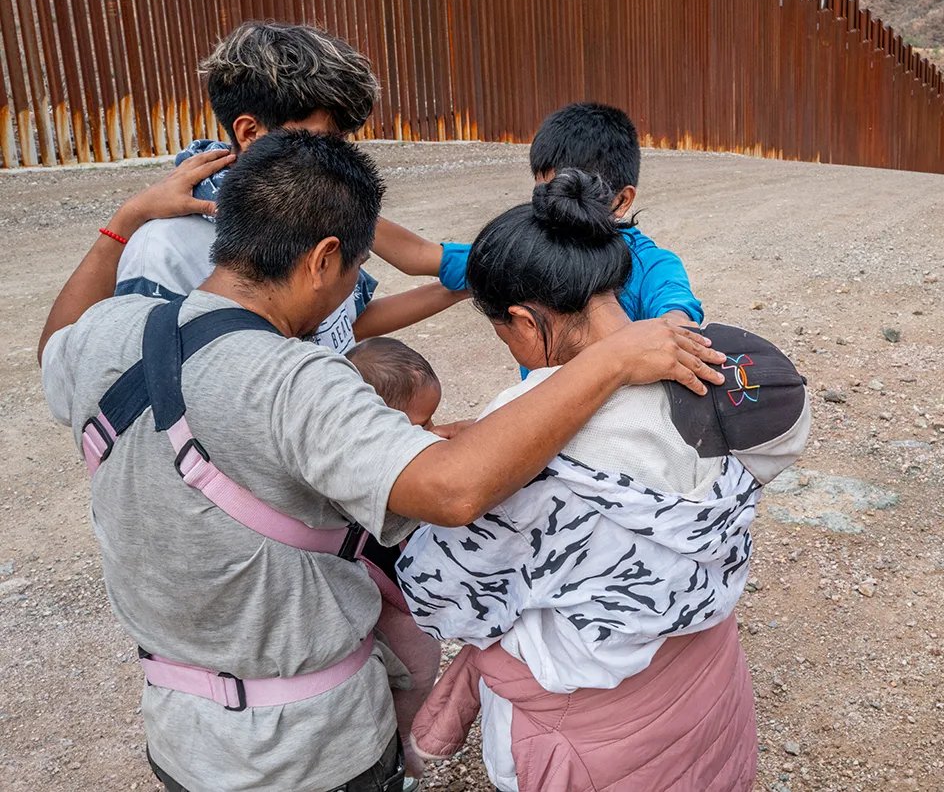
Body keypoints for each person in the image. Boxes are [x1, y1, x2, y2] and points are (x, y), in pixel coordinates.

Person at [38, 133, 725, 792]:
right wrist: (609, 359)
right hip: (311, 747)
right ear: (323, 258)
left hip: (181, 733)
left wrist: (122, 223)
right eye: (355, 271)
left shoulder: (110, 332)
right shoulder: (299, 382)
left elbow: (54, 346)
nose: (352, 295)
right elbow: (453, 495)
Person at [397, 169, 810, 791]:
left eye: (502, 330)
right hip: (705, 680)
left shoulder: (519, 447)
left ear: (526, 323)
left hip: (588, 725)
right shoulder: (710, 368)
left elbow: (445, 597)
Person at [115, 21, 471, 353]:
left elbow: (346, 323)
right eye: (325, 138)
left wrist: (458, 289)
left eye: (344, 140)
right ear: (249, 133)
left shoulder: (316, 203)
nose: (337, 154)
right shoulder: (164, 251)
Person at [347, 337, 447, 787]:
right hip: (389, 600)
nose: (430, 433)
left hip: (385, 593)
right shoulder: (369, 475)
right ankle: (402, 751)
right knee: (415, 672)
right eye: (420, 423)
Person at [529, 101, 703, 328]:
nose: (555, 211)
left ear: (622, 200)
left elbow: (676, 311)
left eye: (571, 198)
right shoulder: (527, 245)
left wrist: (674, 324)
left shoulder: (650, 265)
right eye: (545, 194)